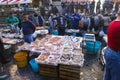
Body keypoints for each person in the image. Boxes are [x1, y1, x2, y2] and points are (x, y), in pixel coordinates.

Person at [103, 10, 120, 80]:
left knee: (108, 76)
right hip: (115, 55)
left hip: (109, 51)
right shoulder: (118, 26)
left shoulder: (113, 23)